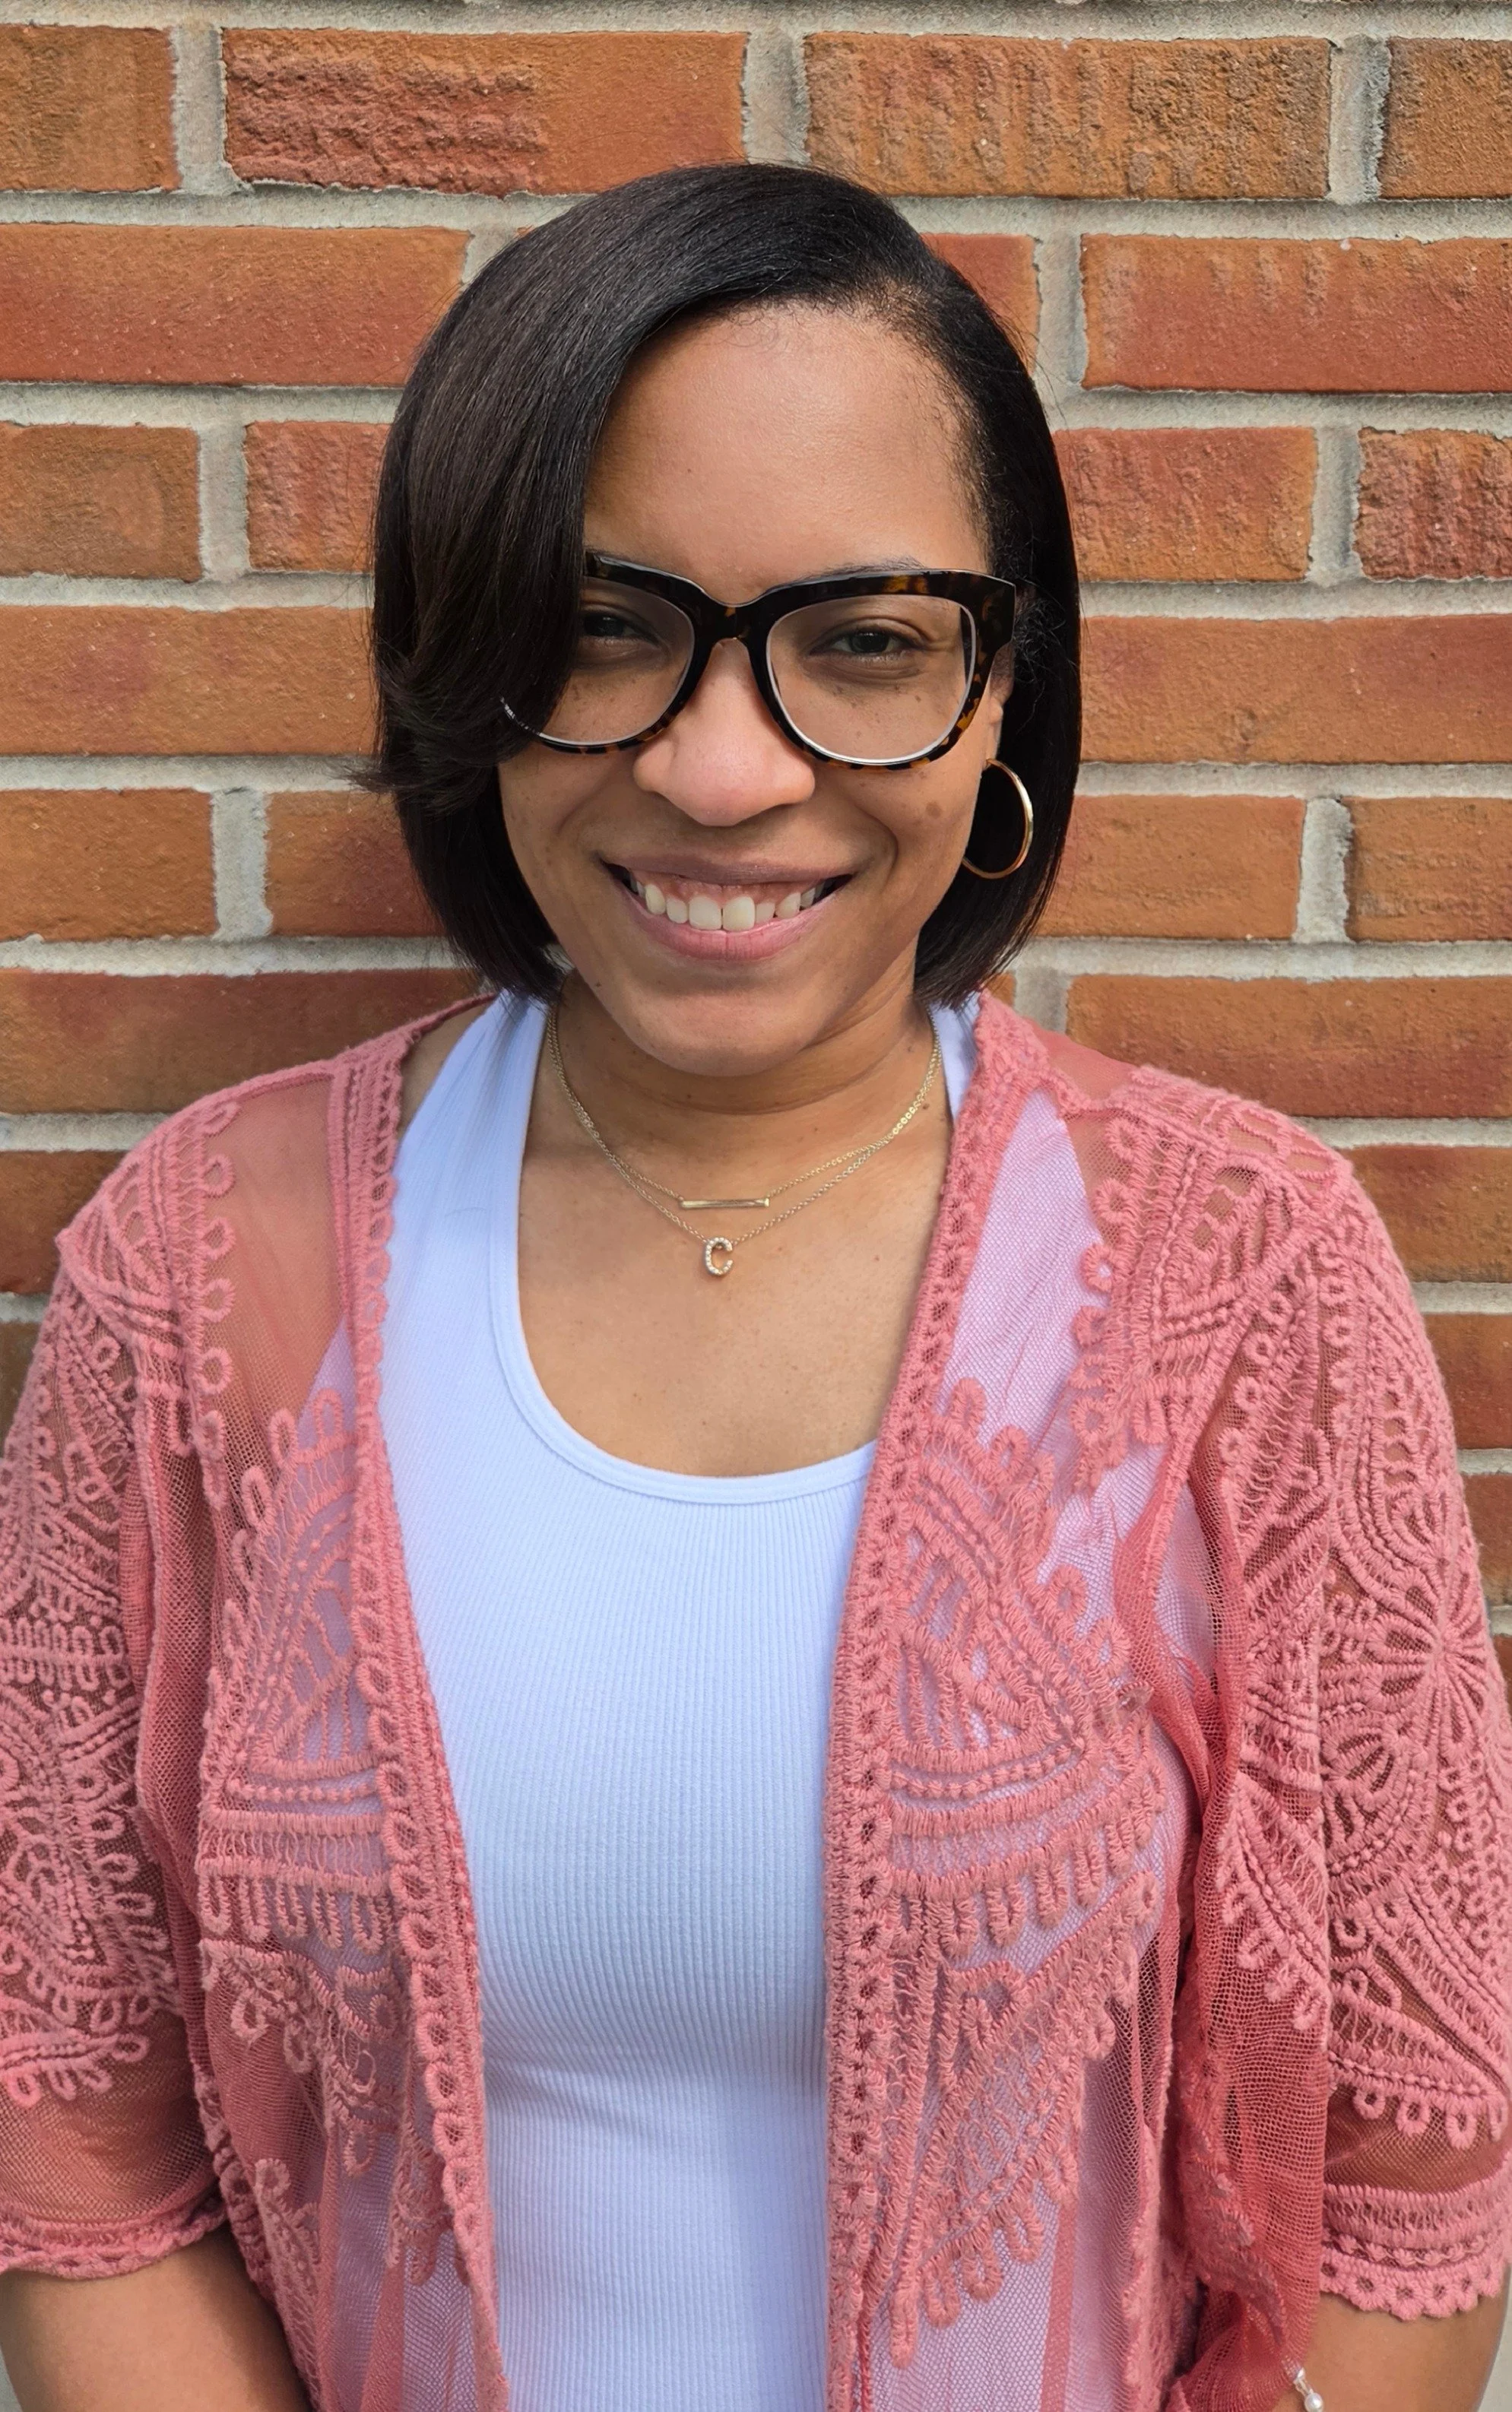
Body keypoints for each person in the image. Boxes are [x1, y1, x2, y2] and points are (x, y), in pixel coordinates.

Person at [0, 163, 1507, 2412]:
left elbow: (1405, 2176)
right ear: (464, 665)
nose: (723, 768)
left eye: (866, 643)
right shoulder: (201, 1278)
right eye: (601, 629)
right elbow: (80, 2146)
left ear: (1002, 691)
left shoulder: (1244, 1281)